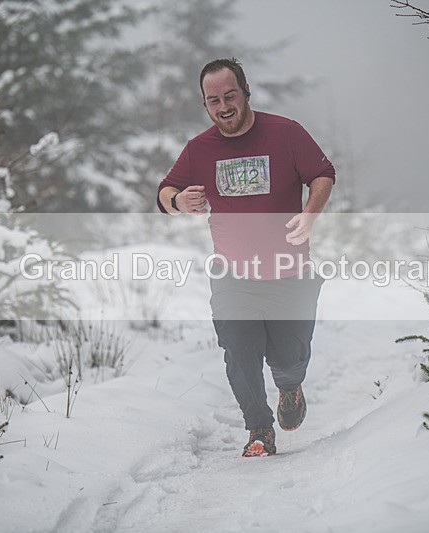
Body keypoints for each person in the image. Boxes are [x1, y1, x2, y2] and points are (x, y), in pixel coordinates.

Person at [157, 58, 335, 457]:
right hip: (233, 272)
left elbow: (323, 174)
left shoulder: (286, 132)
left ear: (246, 91)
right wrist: (178, 200)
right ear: (205, 104)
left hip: (289, 272)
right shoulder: (199, 149)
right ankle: (258, 429)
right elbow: (164, 194)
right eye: (213, 100)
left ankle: (290, 388)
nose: (223, 107)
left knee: (289, 358)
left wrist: (310, 215)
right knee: (238, 348)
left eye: (230, 95)